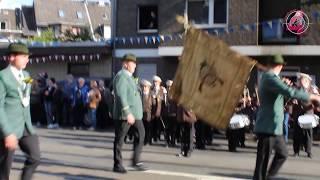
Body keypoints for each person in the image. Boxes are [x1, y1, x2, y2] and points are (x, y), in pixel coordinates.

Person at [253, 54, 320, 180]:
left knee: (282, 154)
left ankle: (268, 176)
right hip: (268, 126)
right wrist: (313, 97)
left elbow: (284, 97)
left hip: (275, 127)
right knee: (262, 163)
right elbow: (290, 92)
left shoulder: (273, 78)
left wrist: (283, 85)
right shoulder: (269, 78)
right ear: (280, 65)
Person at [0, 43, 40, 180]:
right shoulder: (2, 77)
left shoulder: (26, 74)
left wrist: (33, 85)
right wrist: (7, 133)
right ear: (11, 57)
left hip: (25, 126)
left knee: (35, 157)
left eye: (27, 57)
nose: (27, 60)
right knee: (4, 170)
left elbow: (27, 90)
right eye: (23, 56)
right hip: (8, 128)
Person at [113, 54, 146, 173]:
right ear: (125, 64)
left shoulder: (130, 77)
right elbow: (121, 95)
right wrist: (127, 112)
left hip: (135, 114)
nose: (135, 66)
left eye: (135, 63)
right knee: (120, 139)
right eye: (133, 63)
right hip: (125, 114)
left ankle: (135, 161)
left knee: (141, 134)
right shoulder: (121, 76)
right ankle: (117, 164)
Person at [291, 73, 318, 158]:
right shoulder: (295, 89)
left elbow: (317, 101)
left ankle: (309, 151)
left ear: (307, 81)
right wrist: (292, 101)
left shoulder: (313, 89)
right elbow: (289, 100)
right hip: (298, 113)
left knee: (308, 133)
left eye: (302, 80)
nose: (300, 81)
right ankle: (296, 151)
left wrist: (314, 105)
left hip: (308, 113)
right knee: (297, 133)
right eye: (300, 80)